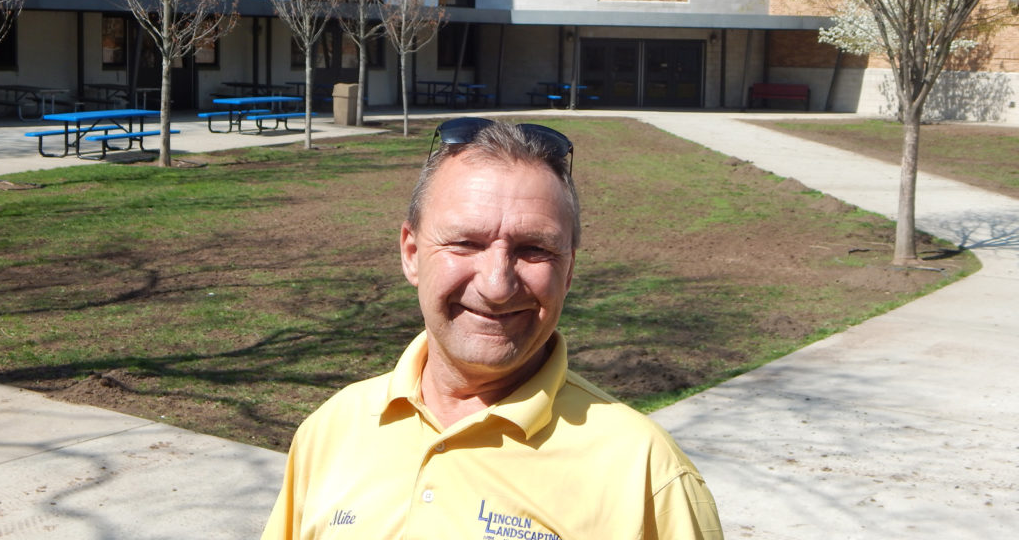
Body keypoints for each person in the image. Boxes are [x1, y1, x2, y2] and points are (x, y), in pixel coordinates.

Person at [261, 117, 723, 540]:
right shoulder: (332, 430)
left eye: (533, 248)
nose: (497, 286)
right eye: (465, 243)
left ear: (568, 271)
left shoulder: (646, 473)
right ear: (410, 252)